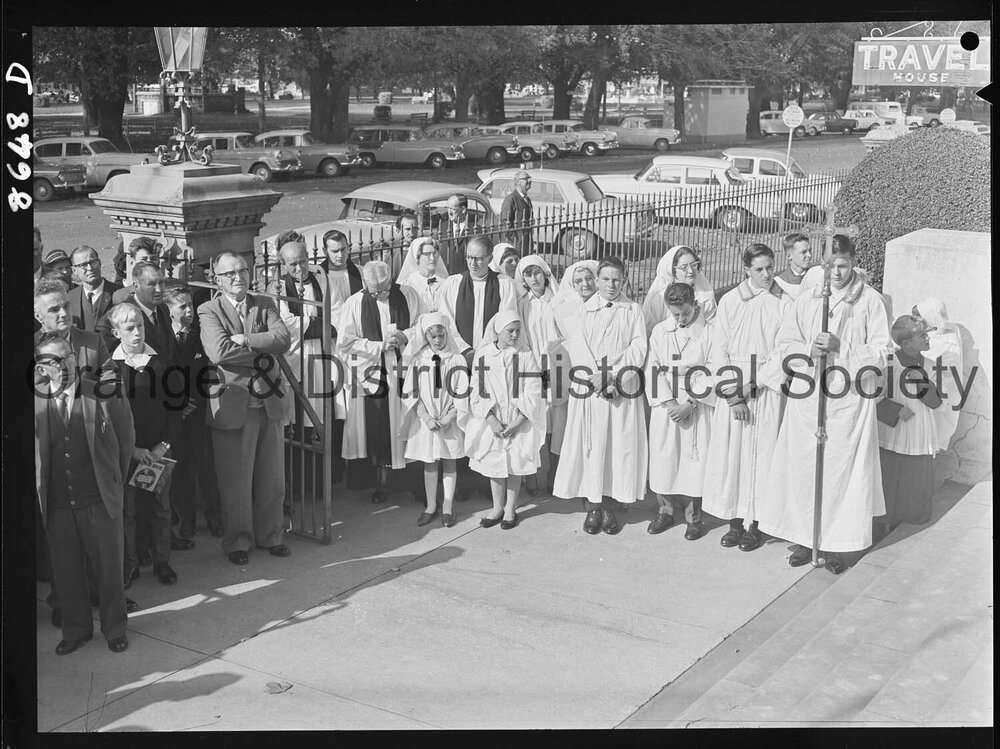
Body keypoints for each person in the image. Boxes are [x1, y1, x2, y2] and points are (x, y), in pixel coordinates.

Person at [758, 235, 891, 575]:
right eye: (829, 265)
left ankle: (836, 545)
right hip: (809, 398)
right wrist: (808, 351)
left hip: (847, 404)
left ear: (853, 262)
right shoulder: (806, 300)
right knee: (805, 470)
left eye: (843, 265)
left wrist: (841, 347)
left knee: (838, 475)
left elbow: (882, 353)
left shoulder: (870, 301)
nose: (835, 273)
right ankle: (805, 537)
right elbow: (784, 345)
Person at [33, 332, 134, 655]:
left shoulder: (102, 393)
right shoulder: (35, 401)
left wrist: (112, 480)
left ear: (76, 359)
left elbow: (125, 439)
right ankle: (76, 630)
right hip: (58, 504)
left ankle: (115, 628)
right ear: (41, 367)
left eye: (67, 358)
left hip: (99, 499)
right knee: (66, 570)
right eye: (52, 361)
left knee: (108, 568)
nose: (62, 366)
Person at [199, 251, 293, 566]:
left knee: (272, 475)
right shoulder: (208, 309)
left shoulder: (264, 303)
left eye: (242, 270)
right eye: (229, 273)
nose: (238, 277)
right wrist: (263, 354)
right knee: (235, 479)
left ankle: (272, 535)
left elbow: (283, 338)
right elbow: (218, 351)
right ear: (216, 278)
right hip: (233, 403)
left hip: (269, 400)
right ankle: (238, 540)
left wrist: (247, 339)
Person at [702, 244, 791, 552]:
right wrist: (734, 396)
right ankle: (735, 521)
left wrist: (754, 385)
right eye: (759, 269)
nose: (766, 274)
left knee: (761, 455)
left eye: (770, 267)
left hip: (764, 387)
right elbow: (719, 348)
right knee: (733, 455)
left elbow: (784, 350)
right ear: (746, 271)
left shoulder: (784, 302)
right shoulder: (730, 300)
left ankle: (756, 523)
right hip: (733, 388)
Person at [553, 256, 648, 536]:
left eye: (617, 279)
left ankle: (610, 505)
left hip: (620, 388)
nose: (611, 284)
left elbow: (638, 347)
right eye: (605, 279)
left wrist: (614, 375)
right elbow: (578, 347)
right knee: (592, 446)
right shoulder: (583, 312)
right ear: (597, 280)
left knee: (616, 448)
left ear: (624, 279)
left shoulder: (633, 310)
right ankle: (593, 505)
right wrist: (596, 378)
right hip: (591, 389)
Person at [106, 303, 184, 586]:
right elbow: (109, 414)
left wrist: (163, 444)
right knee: (128, 510)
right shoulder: (111, 367)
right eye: (129, 328)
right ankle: (130, 564)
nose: (137, 332)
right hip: (128, 451)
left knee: (161, 507)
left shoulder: (160, 361)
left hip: (158, 448)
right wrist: (131, 449)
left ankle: (162, 561)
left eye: (139, 325)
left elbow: (175, 408)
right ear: (116, 332)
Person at [338, 260, 419, 503]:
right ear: (365, 284)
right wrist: (379, 346)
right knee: (380, 428)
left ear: (391, 280)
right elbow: (346, 343)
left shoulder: (408, 295)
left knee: (408, 425)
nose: (380, 295)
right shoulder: (355, 303)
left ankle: (411, 480)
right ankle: (381, 483)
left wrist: (405, 335)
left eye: (384, 290)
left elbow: (423, 325)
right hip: (374, 374)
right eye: (374, 291)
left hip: (405, 370)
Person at [645, 283, 716, 538]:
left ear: (694, 304)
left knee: (693, 460)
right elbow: (652, 367)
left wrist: (690, 403)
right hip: (667, 402)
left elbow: (713, 368)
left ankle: (694, 517)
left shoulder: (708, 332)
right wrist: (670, 403)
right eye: (675, 314)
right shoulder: (660, 331)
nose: (681, 318)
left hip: (694, 401)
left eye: (685, 313)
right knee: (665, 458)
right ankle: (664, 511)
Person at [464, 311, 547, 530]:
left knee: (514, 465)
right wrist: (491, 419)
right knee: (495, 465)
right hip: (494, 421)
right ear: (498, 331)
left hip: (518, 419)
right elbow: (477, 389)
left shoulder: (526, 355)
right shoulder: (484, 355)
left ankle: (511, 508)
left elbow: (533, 389)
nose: (515, 334)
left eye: (518, 331)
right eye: (510, 330)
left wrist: (519, 420)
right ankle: (497, 507)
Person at [163, 285, 224, 540]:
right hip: (175, 414)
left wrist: (194, 401)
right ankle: (187, 520)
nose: (189, 311)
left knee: (206, 467)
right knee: (181, 469)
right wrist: (178, 403)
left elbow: (208, 373)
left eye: (190, 305)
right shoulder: (163, 337)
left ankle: (215, 518)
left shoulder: (200, 335)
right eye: (182, 307)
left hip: (198, 411)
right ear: (169, 311)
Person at [875, 315, 944, 540]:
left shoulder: (932, 366)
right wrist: (895, 410)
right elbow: (874, 397)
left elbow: (935, 402)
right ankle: (887, 520)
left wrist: (923, 384)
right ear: (905, 343)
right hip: (893, 431)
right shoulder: (888, 363)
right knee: (891, 475)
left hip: (919, 432)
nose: (927, 338)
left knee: (917, 476)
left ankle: (914, 518)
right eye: (922, 335)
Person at [398, 313, 469, 527]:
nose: (437, 341)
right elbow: (412, 391)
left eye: (441, 335)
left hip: (449, 419)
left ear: (447, 333)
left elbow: (462, 391)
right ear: (426, 337)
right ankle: (430, 506)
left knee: (449, 461)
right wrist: (426, 417)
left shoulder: (456, 359)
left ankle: (447, 507)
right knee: (430, 463)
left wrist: (450, 416)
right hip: (427, 422)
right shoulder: (420, 360)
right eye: (433, 337)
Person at [515, 254, 561, 495]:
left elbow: (565, 335)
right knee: (533, 421)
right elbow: (521, 339)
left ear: (545, 274)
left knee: (555, 422)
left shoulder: (559, 301)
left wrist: (553, 363)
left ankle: (554, 475)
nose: (533, 278)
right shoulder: (523, 304)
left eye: (537, 273)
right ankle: (532, 476)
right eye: (527, 274)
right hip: (532, 369)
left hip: (557, 368)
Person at [438, 236, 518, 366]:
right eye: (469, 257)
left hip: (493, 357)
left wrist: (486, 351)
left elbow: (505, 322)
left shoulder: (504, 284)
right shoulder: (453, 283)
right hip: (459, 356)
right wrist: (466, 351)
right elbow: (446, 322)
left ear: (490, 258)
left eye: (479, 258)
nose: (472, 263)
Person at [912, 297, 964, 452]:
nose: (914, 321)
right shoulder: (932, 337)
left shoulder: (945, 343)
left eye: (918, 317)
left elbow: (926, 366)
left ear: (929, 318)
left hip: (936, 397)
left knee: (929, 443)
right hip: (922, 394)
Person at [34, 278, 112, 381]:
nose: (64, 314)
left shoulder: (93, 341)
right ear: (38, 316)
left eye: (66, 306)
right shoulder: (34, 348)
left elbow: (112, 380)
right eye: (54, 310)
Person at [99, 262, 178, 363]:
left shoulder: (163, 308)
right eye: (151, 284)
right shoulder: (119, 316)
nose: (159, 290)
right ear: (136, 286)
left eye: (161, 283)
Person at [642, 245, 716, 335]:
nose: (691, 271)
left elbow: (712, 330)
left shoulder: (705, 297)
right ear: (672, 270)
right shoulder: (659, 299)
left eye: (694, 265)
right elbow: (648, 332)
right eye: (684, 267)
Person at [67, 246, 123, 332]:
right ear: (74, 270)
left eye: (93, 262)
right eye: (83, 265)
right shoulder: (70, 297)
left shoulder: (119, 294)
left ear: (100, 263)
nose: (90, 268)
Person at [396, 237, 449, 315]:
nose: (432, 258)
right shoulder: (408, 284)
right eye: (427, 254)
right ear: (417, 257)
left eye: (434, 253)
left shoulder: (445, 281)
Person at [111, 237, 162, 304]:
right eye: (144, 259)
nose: (149, 263)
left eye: (153, 259)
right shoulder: (121, 298)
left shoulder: (167, 295)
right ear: (132, 262)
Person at [441, 194, 483, 274]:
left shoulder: (476, 230)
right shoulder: (443, 228)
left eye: (452, 209)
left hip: (466, 276)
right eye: (448, 208)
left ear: (463, 209)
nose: (449, 212)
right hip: (446, 276)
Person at [500, 169, 534, 255]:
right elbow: (505, 222)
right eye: (526, 178)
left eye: (529, 178)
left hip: (527, 243)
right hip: (516, 245)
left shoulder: (527, 199)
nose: (529, 181)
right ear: (518, 182)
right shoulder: (511, 199)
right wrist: (516, 240)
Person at [773, 233, 814, 298]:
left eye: (810, 250)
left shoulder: (816, 277)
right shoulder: (778, 283)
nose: (809, 255)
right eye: (803, 252)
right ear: (789, 256)